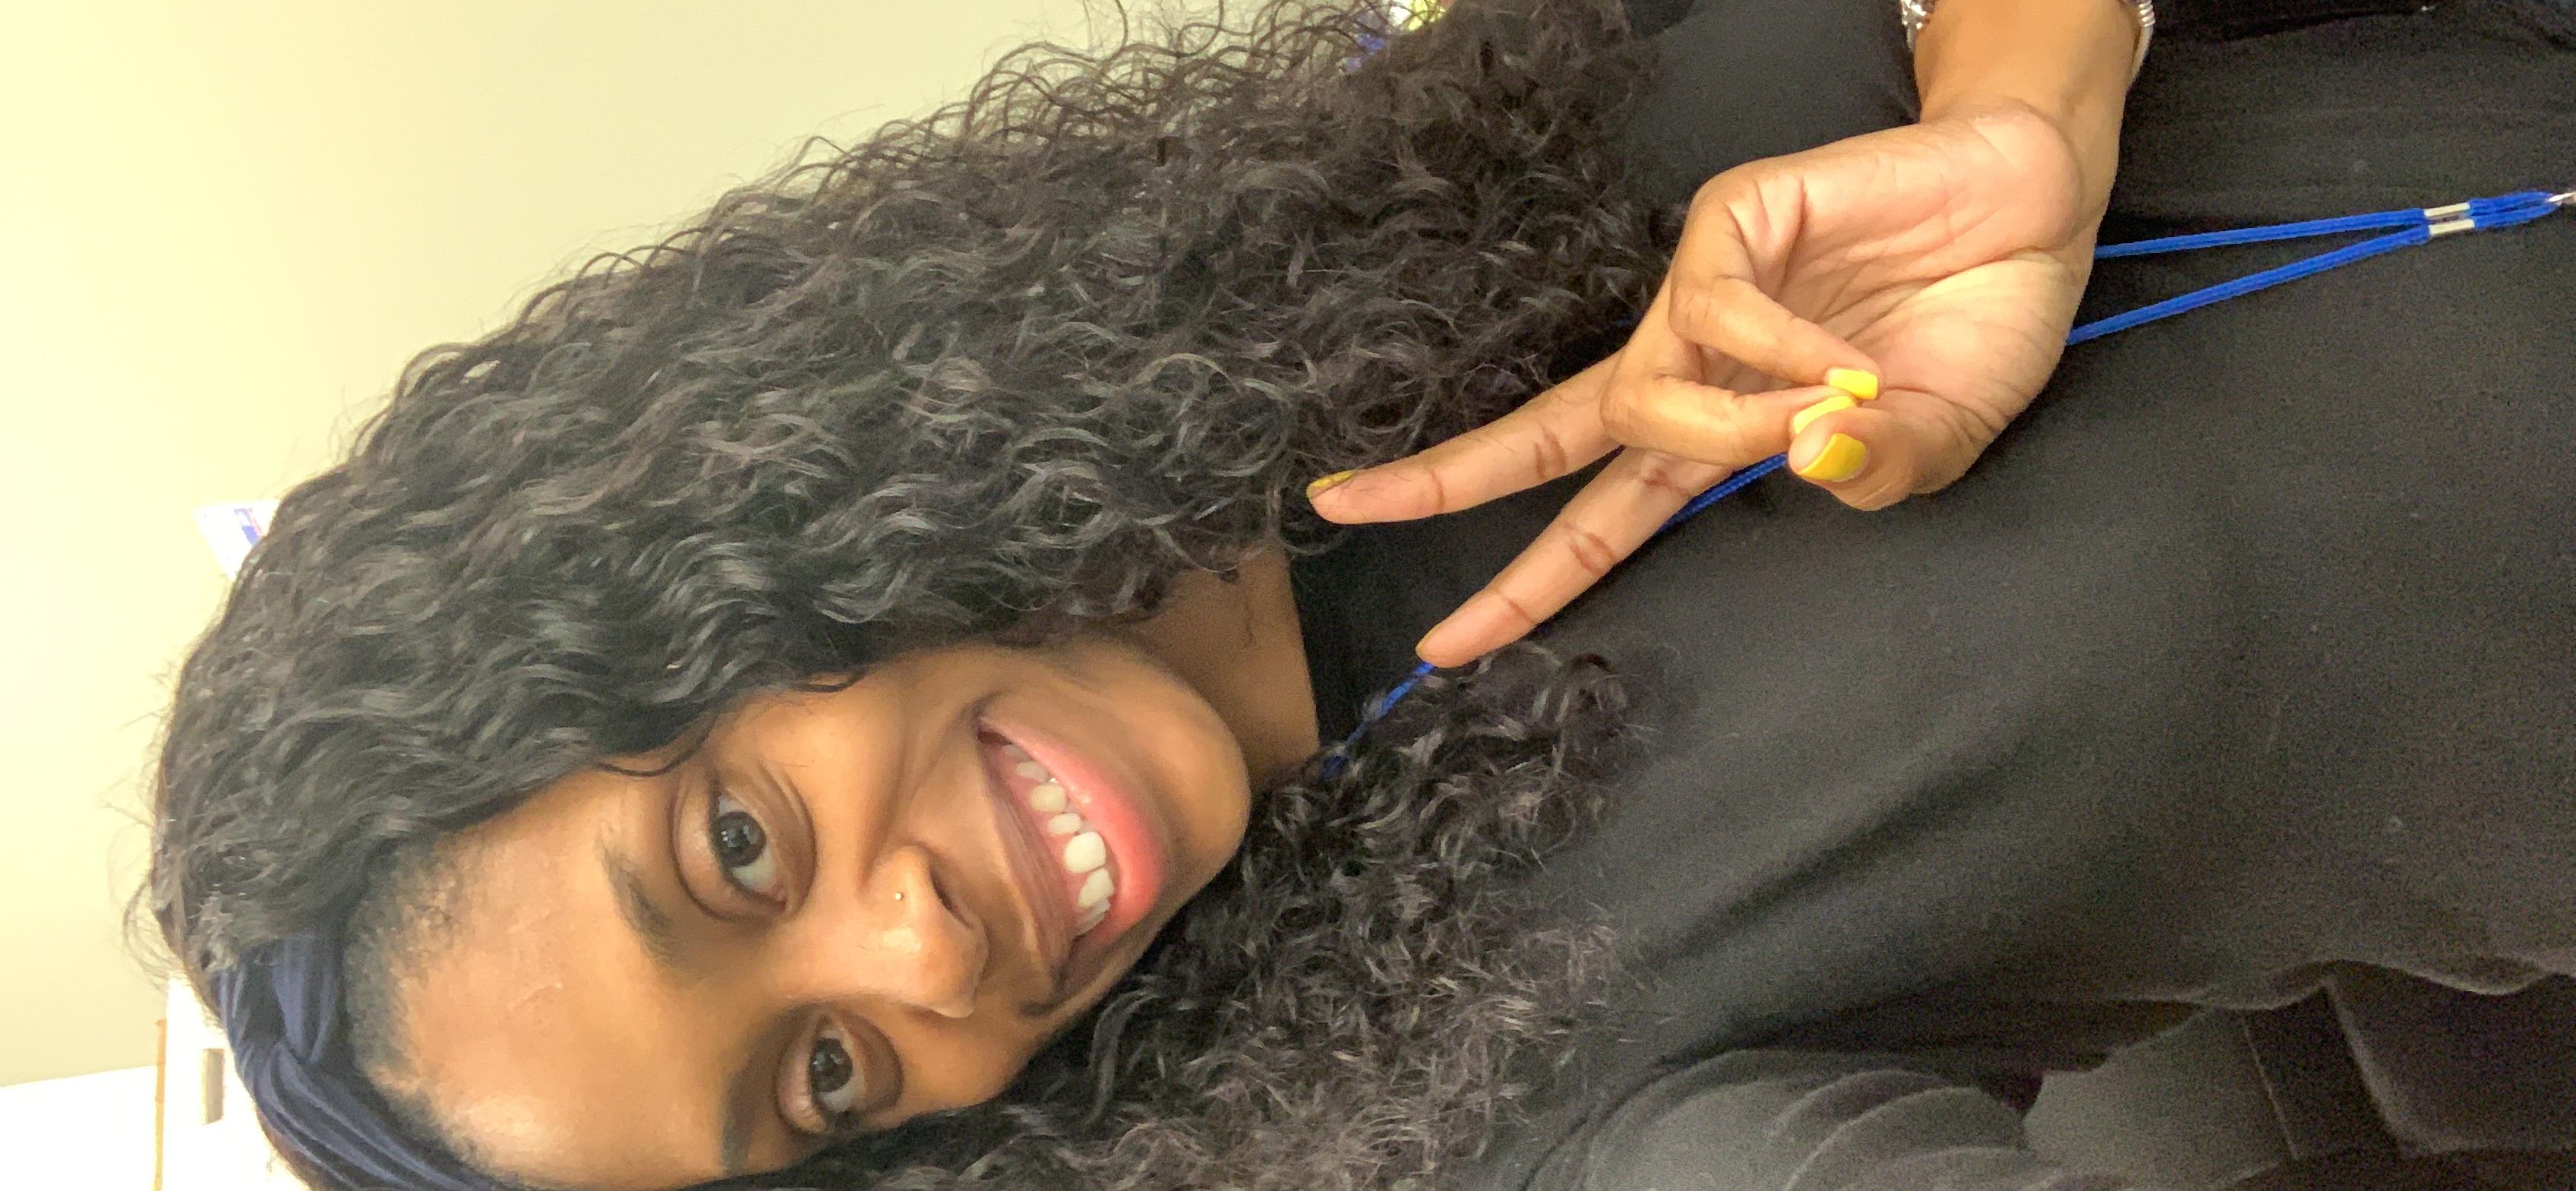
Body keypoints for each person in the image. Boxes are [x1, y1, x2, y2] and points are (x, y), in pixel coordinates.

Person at [147, 1, 2576, 1189]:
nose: (918, 965)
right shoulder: (1479, 1094)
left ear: (696, 553)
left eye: (736, 850)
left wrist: (2019, 104)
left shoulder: (1387, 174)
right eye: (824, 1087)